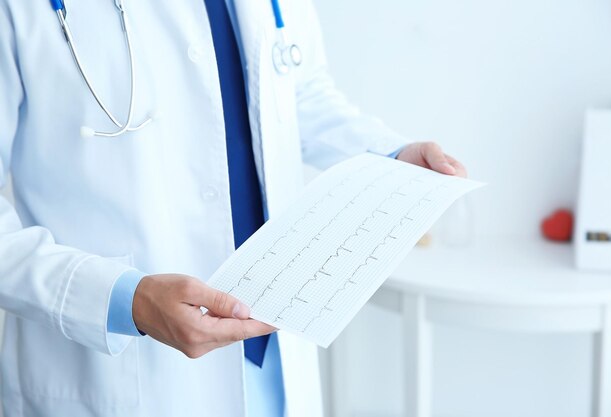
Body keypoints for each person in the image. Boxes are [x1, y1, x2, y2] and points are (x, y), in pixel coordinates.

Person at [0, 0, 466, 416]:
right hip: (118, 370)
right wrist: (125, 300)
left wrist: (392, 155)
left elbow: (297, 90)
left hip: (273, 362)